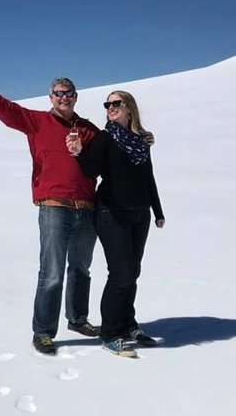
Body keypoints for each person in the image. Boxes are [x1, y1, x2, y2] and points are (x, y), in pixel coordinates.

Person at [0, 63, 104, 355]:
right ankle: (43, 331)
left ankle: (78, 319)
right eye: (58, 93)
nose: (64, 98)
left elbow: (109, 155)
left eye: (69, 93)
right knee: (51, 272)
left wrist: (141, 137)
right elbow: (3, 109)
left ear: (76, 97)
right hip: (54, 207)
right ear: (50, 97)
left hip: (86, 207)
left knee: (81, 269)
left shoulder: (89, 130)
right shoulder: (37, 122)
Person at [67, 90, 165, 358]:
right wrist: (77, 153)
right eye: (107, 104)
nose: (110, 107)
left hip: (139, 212)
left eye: (115, 103)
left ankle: (127, 324)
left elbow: (149, 177)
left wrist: (157, 210)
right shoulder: (105, 137)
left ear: (129, 108)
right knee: (120, 272)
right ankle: (110, 333)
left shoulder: (140, 141)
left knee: (132, 272)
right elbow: (90, 169)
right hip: (111, 212)